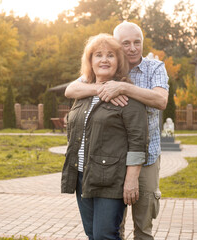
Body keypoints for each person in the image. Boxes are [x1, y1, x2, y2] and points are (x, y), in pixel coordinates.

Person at [64, 22, 169, 240]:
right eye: (126, 43)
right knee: (111, 229)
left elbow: (160, 100)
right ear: (118, 47)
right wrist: (101, 89)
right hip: (106, 166)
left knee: (142, 225)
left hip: (144, 157)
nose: (132, 48)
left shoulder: (154, 68)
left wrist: (122, 88)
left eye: (137, 42)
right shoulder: (100, 71)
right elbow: (70, 89)